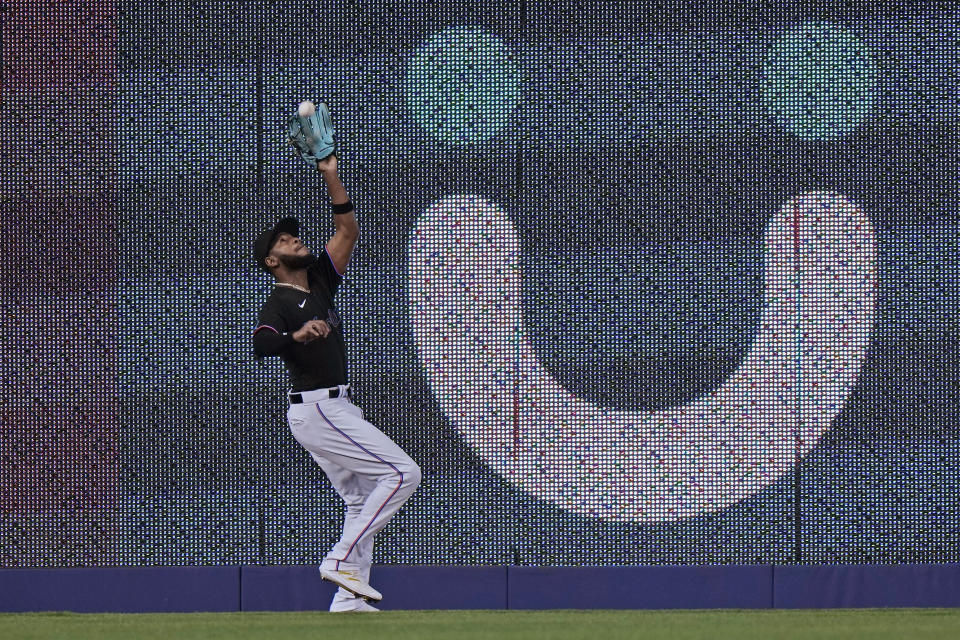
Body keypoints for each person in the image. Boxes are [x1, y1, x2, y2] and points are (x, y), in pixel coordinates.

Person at [252, 154, 421, 613]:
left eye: (295, 235)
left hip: (333, 408)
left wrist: (330, 173)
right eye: (285, 240)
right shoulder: (280, 301)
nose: (296, 240)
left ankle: (349, 598)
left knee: (359, 498)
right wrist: (296, 335)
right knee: (403, 473)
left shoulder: (320, 282)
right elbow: (262, 344)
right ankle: (341, 559)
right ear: (272, 259)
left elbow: (347, 231)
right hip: (318, 409)